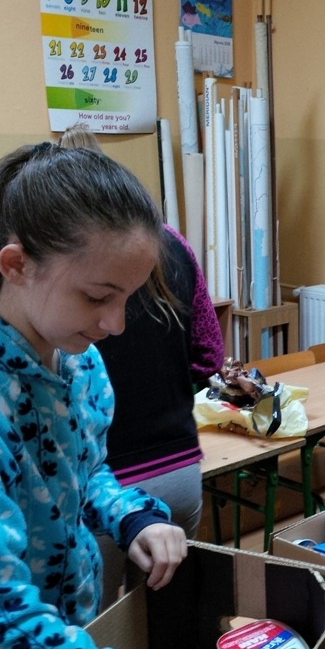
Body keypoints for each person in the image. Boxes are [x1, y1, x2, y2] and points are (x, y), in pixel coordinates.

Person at [0, 142, 229, 649]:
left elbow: (82, 473)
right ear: (17, 265)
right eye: (96, 296)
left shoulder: (77, 364)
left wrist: (131, 517)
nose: (115, 324)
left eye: (127, 298)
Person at [59, 124, 225, 608]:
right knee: (164, 621)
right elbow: (209, 355)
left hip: (103, 480)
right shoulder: (169, 242)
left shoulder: (66, 268)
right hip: (175, 466)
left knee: (103, 627)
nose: (112, 322)